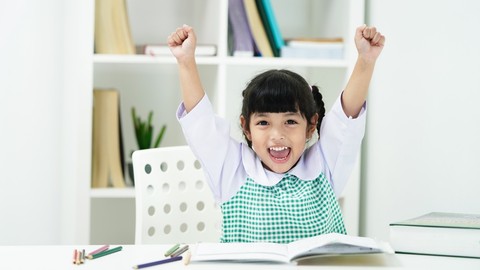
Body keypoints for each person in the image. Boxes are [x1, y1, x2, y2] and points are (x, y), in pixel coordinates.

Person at [168, 24, 385, 243]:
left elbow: (345, 120)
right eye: (263, 122)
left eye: (290, 121)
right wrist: (186, 62)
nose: (277, 134)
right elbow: (201, 125)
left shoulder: (324, 166)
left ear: (311, 126)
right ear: (246, 127)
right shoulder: (232, 170)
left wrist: (365, 61)